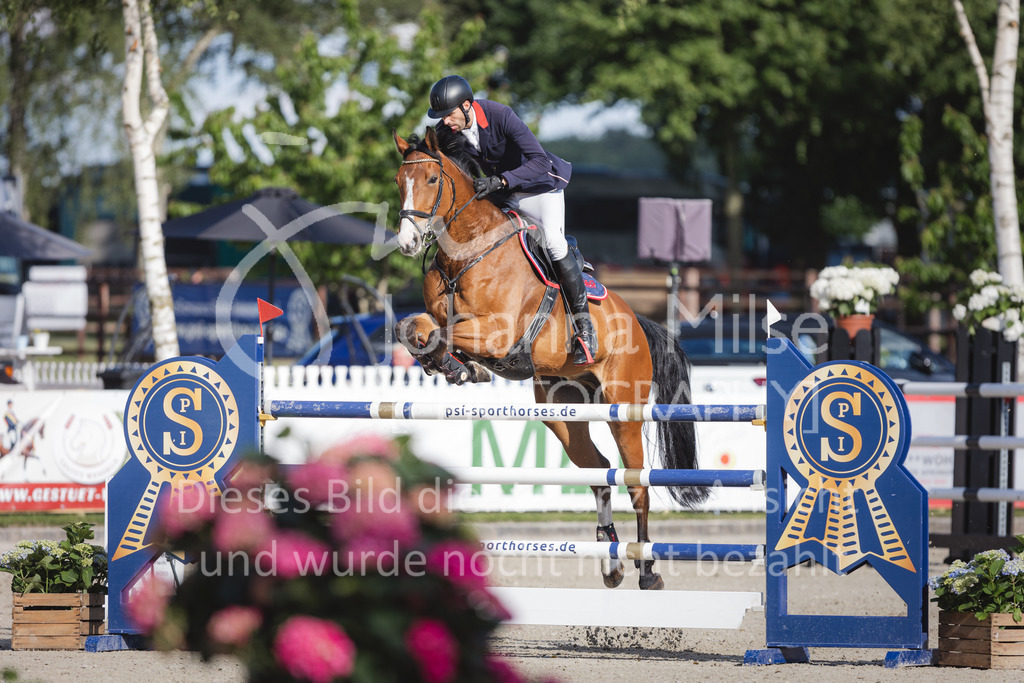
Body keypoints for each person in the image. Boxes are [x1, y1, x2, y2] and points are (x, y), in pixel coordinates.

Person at [426, 75, 597, 366]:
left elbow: (540, 161)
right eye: (441, 116)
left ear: (468, 106)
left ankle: (584, 329)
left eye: (450, 114)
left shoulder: (500, 116)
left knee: (554, 244)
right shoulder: (449, 129)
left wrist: (501, 181)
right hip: (501, 196)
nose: (446, 122)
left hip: (540, 189)